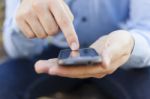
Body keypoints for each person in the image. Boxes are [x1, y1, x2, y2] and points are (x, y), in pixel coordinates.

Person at [1, 0, 150, 99]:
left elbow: (145, 28)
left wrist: (130, 43)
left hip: (120, 54)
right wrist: (25, 25)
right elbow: (18, 52)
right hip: (56, 51)